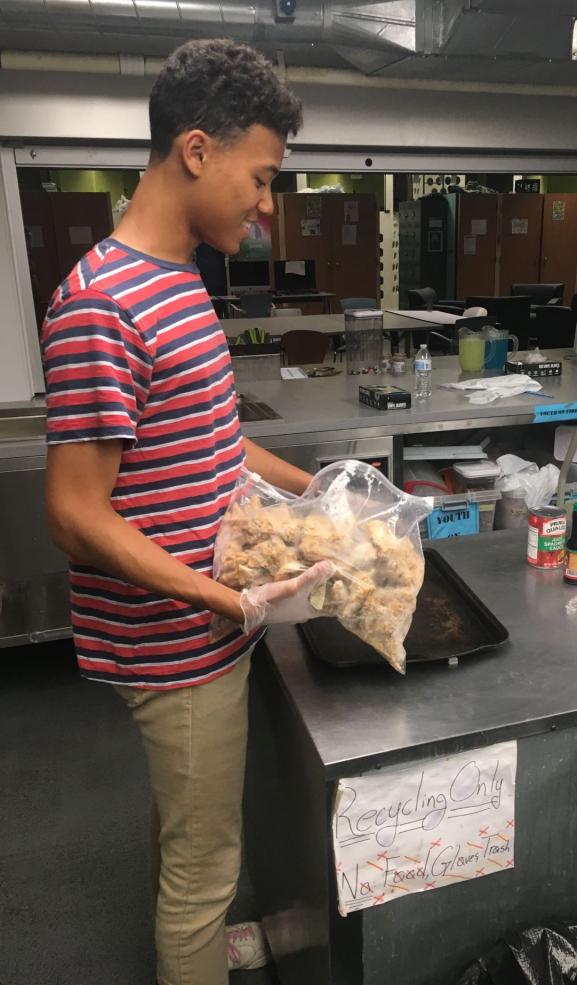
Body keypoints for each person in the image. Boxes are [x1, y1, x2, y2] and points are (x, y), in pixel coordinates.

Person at [42, 38, 332, 985]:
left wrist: (322, 489)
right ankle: (194, 953)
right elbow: (75, 516)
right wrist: (230, 601)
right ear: (196, 150)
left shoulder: (180, 282)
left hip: (210, 626)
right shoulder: (103, 305)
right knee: (204, 870)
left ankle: (197, 946)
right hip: (175, 643)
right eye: (261, 176)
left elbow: (214, 442)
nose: (265, 203)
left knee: (189, 824)